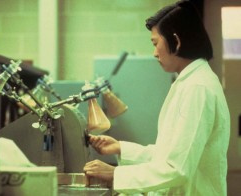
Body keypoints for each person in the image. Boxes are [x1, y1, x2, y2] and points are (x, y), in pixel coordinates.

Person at [83, 1, 230, 195]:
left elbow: (176, 168)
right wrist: (120, 148)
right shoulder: (188, 82)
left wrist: (116, 174)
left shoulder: (198, 88)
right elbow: (168, 155)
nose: (154, 53)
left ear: (176, 42)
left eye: (155, 43)